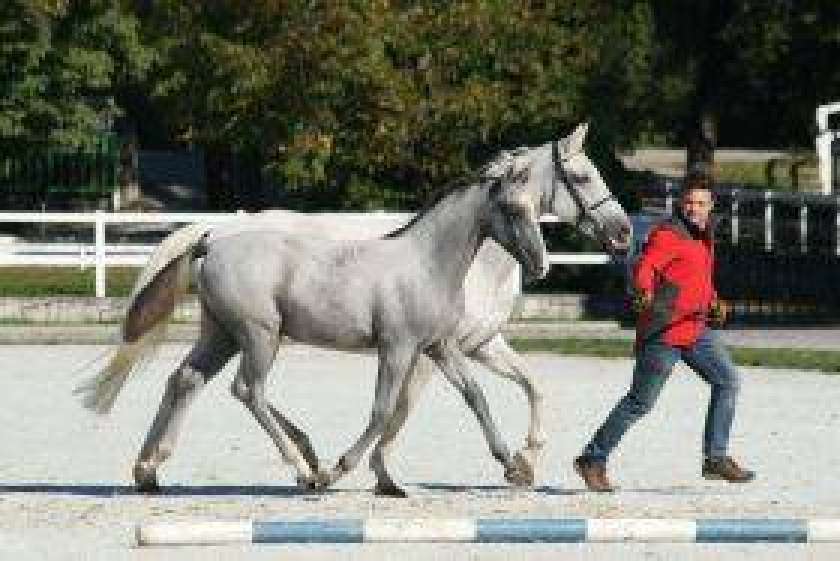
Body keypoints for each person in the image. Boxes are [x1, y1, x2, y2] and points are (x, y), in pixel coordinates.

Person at [573, 176, 755, 492]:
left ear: (711, 206)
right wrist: (643, 292)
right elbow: (645, 268)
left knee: (728, 381)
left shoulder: (703, 236)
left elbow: (697, 276)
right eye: (689, 202)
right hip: (665, 331)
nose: (694, 208)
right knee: (640, 403)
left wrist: (712, 300)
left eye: (701, 203)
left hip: (697, 329)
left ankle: (715, 457)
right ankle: (592, 458)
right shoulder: (668, 234)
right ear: (679, 204)